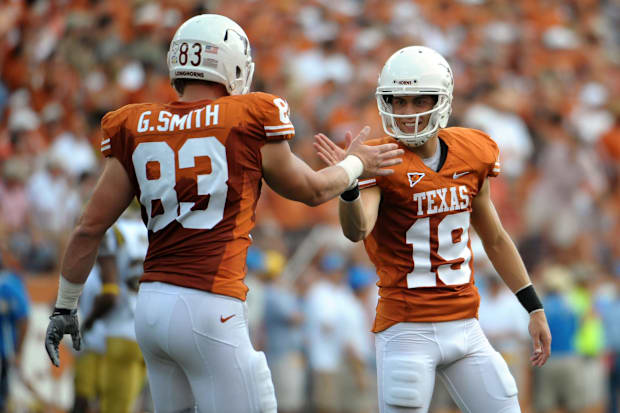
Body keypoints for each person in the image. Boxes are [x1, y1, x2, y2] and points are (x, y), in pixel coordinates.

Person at [43, 13, 403, 413]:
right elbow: (313, 189)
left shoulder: (136, 123)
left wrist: (64, 306)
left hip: (149, 309)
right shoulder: (247, 115)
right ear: (230, 64)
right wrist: (356, 165)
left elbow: (87, 228)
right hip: (209, 303)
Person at [314, 45, 552, 413]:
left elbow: (496, 238)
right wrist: (348, 188)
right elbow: (358, 230)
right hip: (407, 330)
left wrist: (533, 307)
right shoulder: (380, 158)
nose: (406, 112)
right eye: (397, 101)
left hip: (466, 326)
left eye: (417, 100)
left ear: (442, 100)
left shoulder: (473, 150)